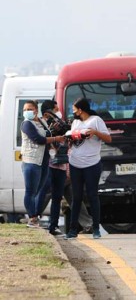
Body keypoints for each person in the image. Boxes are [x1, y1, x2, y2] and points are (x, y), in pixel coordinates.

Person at [64, 98, 112, 240]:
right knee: (76, 197)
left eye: (75, 109)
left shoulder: (96, 120)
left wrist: (95, 132)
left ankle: (96, 228)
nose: (73, 112)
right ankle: (73, 229)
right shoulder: (75, 122)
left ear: (81, 109)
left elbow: (108, 139)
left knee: (92, 196)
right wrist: (70, 138)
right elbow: (72, 140)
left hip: (92, 164)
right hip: (75, 164)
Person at [20, 100, 65, 228]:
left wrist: (54, 139)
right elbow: (38, 139)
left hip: (44, 161)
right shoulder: (26, 124)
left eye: (29, 109)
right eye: (24, 110)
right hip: (31, 161)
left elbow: (47, 134)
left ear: (35, 110)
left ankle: (34, 218)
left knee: (38, 190)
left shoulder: (41, 121)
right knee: (30, 191)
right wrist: (56, 139)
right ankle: (32, 218)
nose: (27, 112)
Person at [36, 100, 70, 235]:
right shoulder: (40, 125)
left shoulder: (60, 125)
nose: (58, 113)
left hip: (60, 164)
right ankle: (33, 218)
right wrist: (54, 135)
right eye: (55, 110)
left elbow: (66, 140)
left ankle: (53, 226)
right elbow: (41, 140)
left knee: (57, 196)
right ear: (47, 113)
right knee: (43, 191)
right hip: (48, 164)